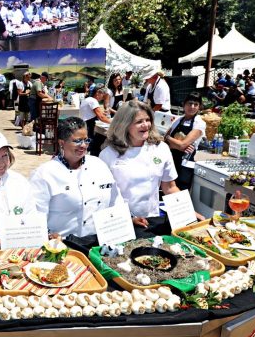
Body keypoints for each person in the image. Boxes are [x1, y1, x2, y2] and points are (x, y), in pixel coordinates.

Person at [30, 117, 123, 245]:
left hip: (99, 243)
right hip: (62, 245)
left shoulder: (99, 165)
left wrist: (126, 220)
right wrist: (47, 235)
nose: (84, 145)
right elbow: (36, 216)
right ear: (62, 143)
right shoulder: (44, 174)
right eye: (78, 141)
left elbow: (115, 201)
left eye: (86, 140)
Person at [100, 100, 179, 236]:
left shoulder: (161, 149)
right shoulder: (108, 155)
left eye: (148, 120)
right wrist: (128, 218)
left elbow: (170, 187)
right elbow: (103, 198)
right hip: (121, 223)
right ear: (124, 125)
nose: (145, 125)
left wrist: (188, 210)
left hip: (152, 221)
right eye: (138, 122)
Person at [163, 92, 206, 190]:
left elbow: (182, 145)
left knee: (181, 193)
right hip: (172, 160)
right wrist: (175, 144)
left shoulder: (199, 123)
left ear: (199, 107)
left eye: (196, 104)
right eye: (190, 103)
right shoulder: (178, 120)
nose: (192, 107)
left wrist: (169, 138)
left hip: (186, 164)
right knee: (168, 189)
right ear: (184, 104)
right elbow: (164, 142)